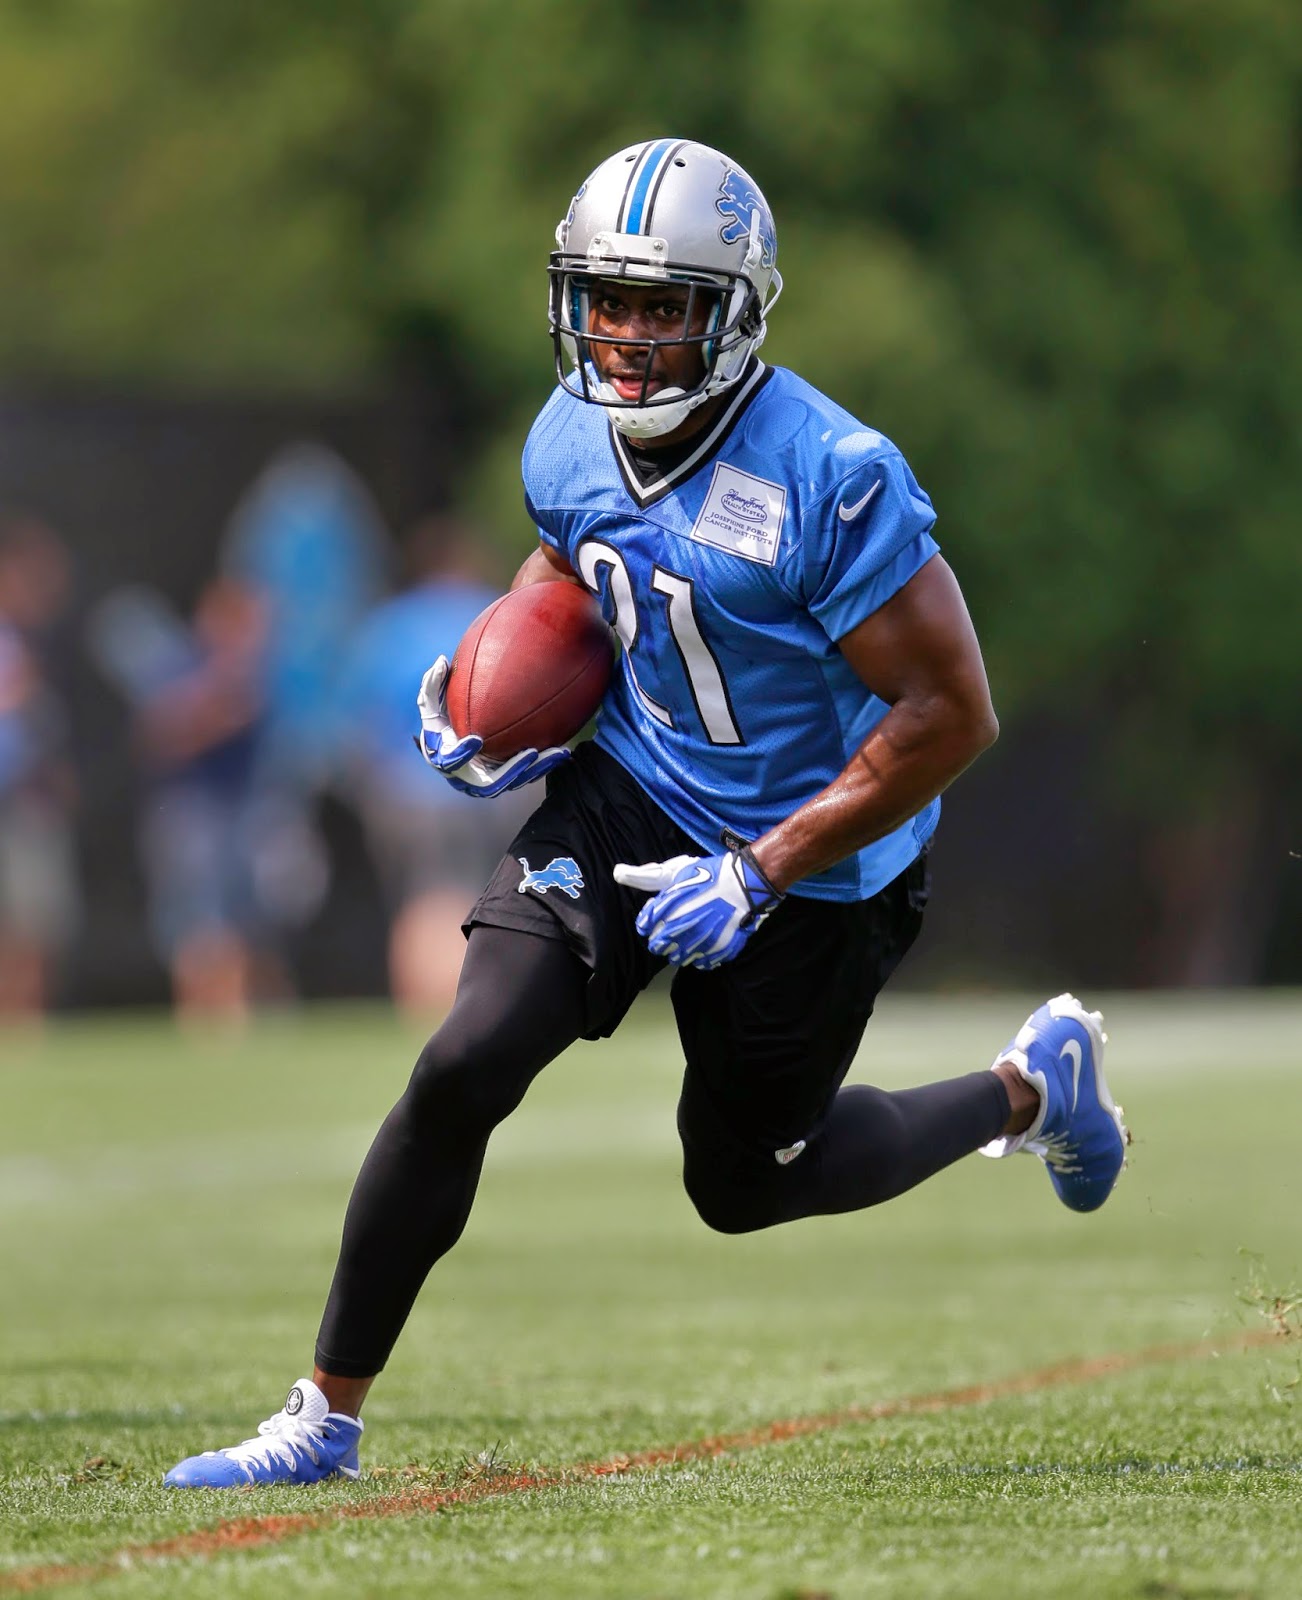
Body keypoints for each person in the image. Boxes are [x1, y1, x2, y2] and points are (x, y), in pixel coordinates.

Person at [164, 138, 1128, 1487]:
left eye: (662, 305)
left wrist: (760, 868)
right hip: (633, 790)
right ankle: (323, 1417)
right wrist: (490, 688)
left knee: (744, 1184)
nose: (623, 335)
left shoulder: (832, 475)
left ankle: (1025, 1091)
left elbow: (952, 713)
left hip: (817, 857)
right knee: (463, 1062)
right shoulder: (567, 435)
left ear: (734, 312)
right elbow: (572, 563)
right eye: (603, 300)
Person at [334, 517, 534, 1014]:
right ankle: (468, 1005)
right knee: (482, 892)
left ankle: (419, 1007)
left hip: (403, 791)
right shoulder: (493, 612)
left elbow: (356, 723)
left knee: (422, 896)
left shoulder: (387, 626)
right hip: (488, 787)